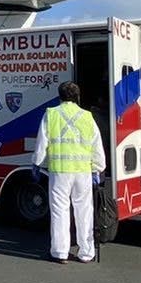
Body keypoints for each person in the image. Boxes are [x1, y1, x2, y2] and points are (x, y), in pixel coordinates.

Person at [32, 80, 106, 263]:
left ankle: (60, 252)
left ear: (60, 96)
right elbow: (96, 145)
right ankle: (87, 252)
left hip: (60, 172)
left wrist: (37, 163)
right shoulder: (88, 117)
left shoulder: (51, 114)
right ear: (78, 97)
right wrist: (97, 168)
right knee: (84, 211)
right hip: (83, 172)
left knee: (59, 210)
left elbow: (42, 143)